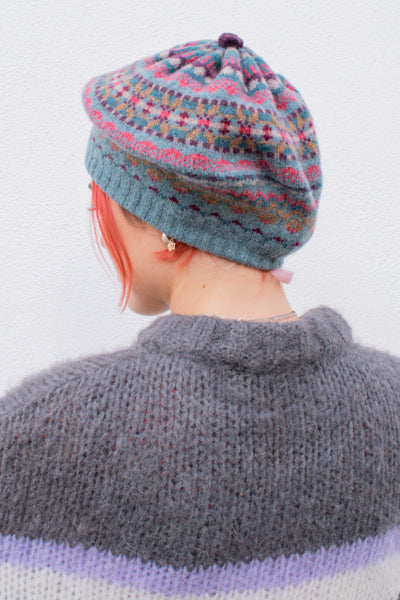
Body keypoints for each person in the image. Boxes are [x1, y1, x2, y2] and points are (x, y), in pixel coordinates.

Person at [0, 33, 399, 599]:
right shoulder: (389, 403)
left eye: (101, 195)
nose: (96, 215)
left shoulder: (35, 433)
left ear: (162, 223)